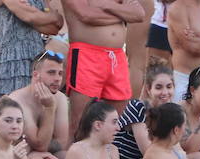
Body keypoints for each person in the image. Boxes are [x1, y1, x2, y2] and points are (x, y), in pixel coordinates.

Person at [60, 0, 143, 140]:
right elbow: (87, 15)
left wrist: (107, 6)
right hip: (86, 55)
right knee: (81, 121)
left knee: (115, 120)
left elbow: (138, 14)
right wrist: (122, 13)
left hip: (116, 57)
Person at [0, 0, 64, 100]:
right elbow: (28, 16)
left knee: (38, 107)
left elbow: (54, 28)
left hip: (37, 58)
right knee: (11, 108)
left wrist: (34, 16)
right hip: (11, 60)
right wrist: (53, 17)